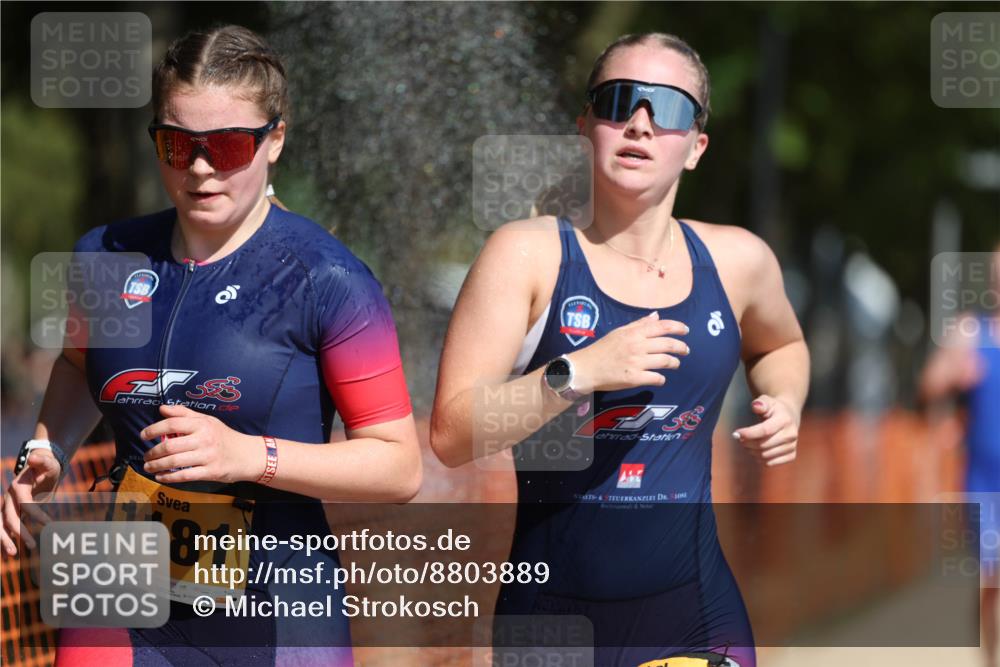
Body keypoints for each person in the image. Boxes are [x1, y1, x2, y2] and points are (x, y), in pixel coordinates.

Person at [1, 25, 421, 667]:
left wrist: (249, 455)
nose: (199, 167)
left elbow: (399, 467)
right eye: (177, 143)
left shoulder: (328, 280)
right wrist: (47, 446)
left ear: (274, 139)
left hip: (277, 606)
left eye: (226, 146)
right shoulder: (106, 255)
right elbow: (77, 365)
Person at [430, 32, 809, 667]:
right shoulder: (527, 255)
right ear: (586, 127)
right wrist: (578, 372)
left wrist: (787, 400)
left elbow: (784, 344)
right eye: (619, 101)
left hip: (695, 614)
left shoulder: (738, 260)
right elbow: (452, 434)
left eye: (670, 109)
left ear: (696, 147)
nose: (640, 123)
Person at [919, 243, 1000, 667]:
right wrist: (952, 379)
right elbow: (929, 385)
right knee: (993, 580)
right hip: (985, 479)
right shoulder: (971, 332)